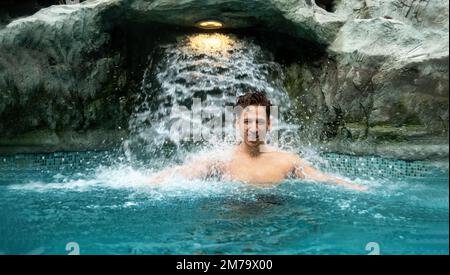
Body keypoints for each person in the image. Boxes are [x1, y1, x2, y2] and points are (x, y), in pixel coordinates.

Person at [148, 91, 367, 191]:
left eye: (259, 122)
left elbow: (322, 179)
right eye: (247, 121)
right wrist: (148, 183)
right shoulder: (220, 160)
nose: (253, 128)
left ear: (269, 125)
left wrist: (353, 186)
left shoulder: (286, 161)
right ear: (237, 123)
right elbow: (182, 175)